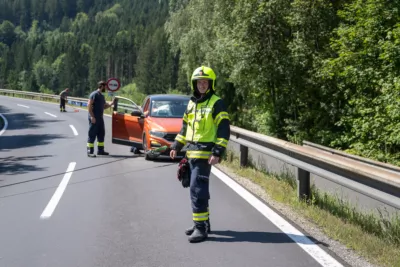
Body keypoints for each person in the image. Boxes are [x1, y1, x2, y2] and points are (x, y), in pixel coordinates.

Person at [170, 66, 230, 243]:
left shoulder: (216, 102)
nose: (202, 85)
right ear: (194, 84)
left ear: (211, 84)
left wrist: (218, 152)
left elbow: (224, 129)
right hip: (191, 152)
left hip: (205, 153)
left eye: (205, 82)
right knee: (195, 188)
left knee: (198, 190)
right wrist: (176, 145)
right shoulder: (191, 103)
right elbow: (185, 128)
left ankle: (201, 228)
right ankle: (202, 222)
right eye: (199, 82)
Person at [87, 81, 114, 156]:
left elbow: (104, 106)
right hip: (94, 118)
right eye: (105, 86)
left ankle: (100, 150)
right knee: (92, 134)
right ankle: (90, 152)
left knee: (101, 134)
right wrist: (92, 116)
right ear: (102, 86)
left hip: (100, 118)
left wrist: (111, 104)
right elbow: (89, 105)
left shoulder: (101, 96)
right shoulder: (94, 94)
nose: (105, 88)